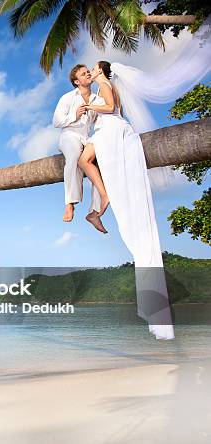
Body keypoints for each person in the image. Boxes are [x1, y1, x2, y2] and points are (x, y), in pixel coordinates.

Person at [79, 61, 174, 340]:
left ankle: (104, 196)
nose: (92, 72)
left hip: (111, 133)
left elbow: (109, 109)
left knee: (87, 161)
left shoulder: (106, 85)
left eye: (95, 68)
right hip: (106, 133)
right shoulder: (105, 86)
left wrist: (89, 108)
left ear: (103, 71)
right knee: (85, 160)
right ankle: (103, 198)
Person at [52, 64, 108, 233]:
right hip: (69, 135)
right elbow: (56, 122)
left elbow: (106, 114)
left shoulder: (97, 100)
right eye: (84, 74)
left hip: (88, 138)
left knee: (100, 166)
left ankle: (94, 212)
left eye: (88, 72)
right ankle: (70, 202)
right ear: (77, 81)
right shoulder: (68, 98)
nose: (88, 75)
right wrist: (74, 116)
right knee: (75, 156)